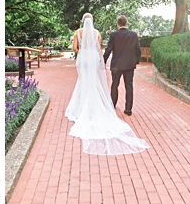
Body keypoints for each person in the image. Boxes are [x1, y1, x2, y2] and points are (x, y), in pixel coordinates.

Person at [64, 14, 149, 155]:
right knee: (129, 86)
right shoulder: (129, 34)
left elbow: (80, 48)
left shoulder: (81, 33)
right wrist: (134, 62)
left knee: (97, 83)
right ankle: (128, 109)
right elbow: (137, 50)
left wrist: (96, 57)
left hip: (94, 61)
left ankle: (109, 106)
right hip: (126, 65)